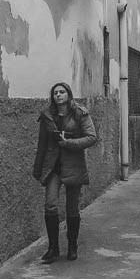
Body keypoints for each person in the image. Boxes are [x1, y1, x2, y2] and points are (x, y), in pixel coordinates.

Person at [32, 82, 99, 263]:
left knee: (72, 207)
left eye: (62, 92)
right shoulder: (47, 116)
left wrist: (69, 143)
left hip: (73, 165)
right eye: (55, 93)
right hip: (53, 167)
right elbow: (42, 144)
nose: (58, 95)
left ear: (68, 94)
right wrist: (38, 168)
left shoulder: (79, 113)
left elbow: (92, 137)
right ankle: (53, 248)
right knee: (50, 204)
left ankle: (72, 246)